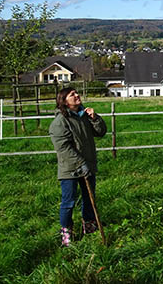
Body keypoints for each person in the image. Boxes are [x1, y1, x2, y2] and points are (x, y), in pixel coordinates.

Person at [49, 87, 107, 246]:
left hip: (88, 164)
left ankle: (89, 226)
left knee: (89, 198)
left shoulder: (83, 116)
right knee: (68, 202)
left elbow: (101, 132)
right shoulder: (60, 122)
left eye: (76, 93)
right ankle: (66, 233)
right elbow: (63, 148)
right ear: (64, 101)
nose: (77, 96)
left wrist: (95, 118)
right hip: (70, 169)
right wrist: (80, 164)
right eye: (72, 94)